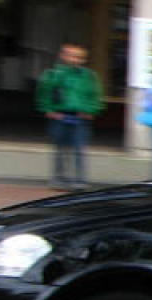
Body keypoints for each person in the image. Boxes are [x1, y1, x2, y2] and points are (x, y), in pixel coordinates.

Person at [35, 43, 102, 190]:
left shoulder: (89, 76)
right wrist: (49, 110)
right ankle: (59, 178)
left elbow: (95, 96)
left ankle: (80, 180)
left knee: (79, 149)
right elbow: (44, 94)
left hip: (81, 117)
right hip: (60, 116)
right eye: (71, 55)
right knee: (60, 149)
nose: (75, 59)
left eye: (79, 57)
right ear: (63, 56)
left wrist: (91, 110)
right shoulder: (53, 75)